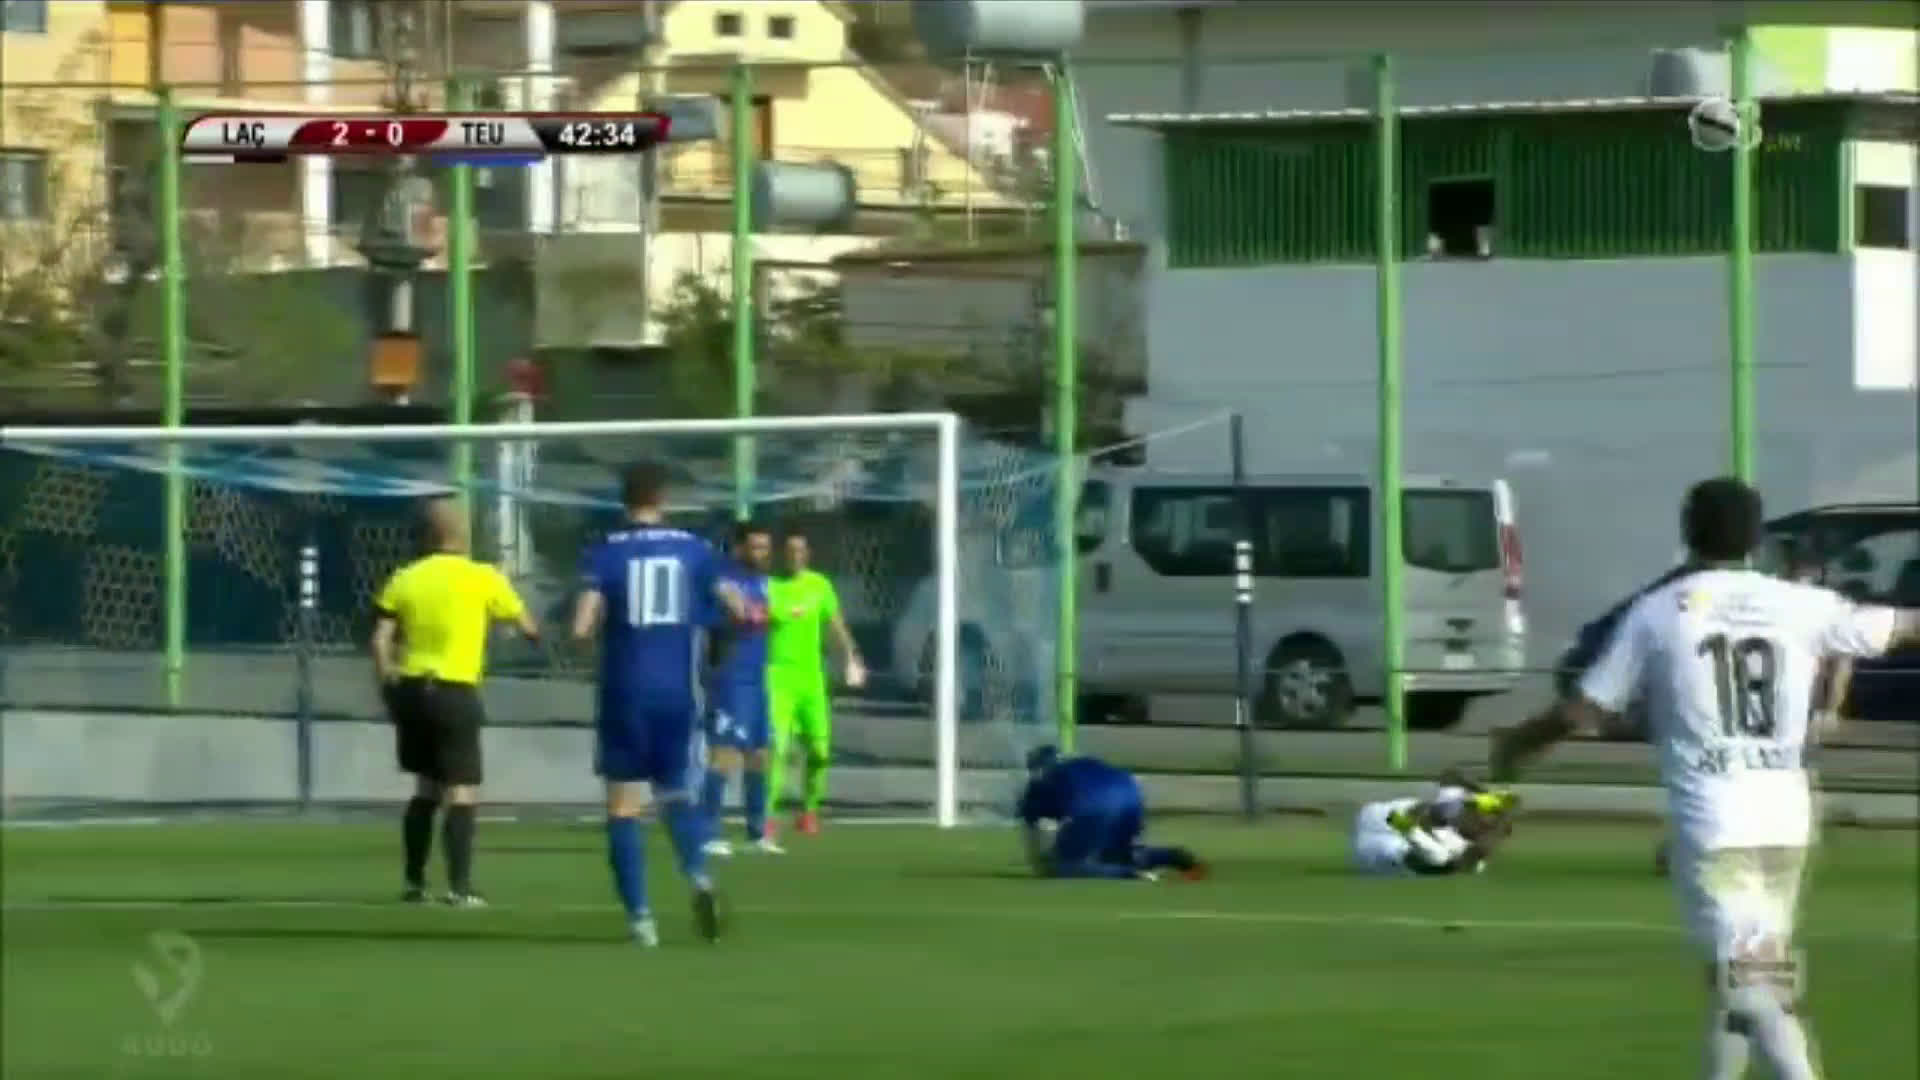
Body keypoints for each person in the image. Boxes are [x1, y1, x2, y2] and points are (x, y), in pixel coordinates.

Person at [1492, 476, 1918, 1080]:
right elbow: (1900, 626)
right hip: (1786, 818)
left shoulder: (1660, 610)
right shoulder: (1799, 603)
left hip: (1716, 821)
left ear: (1687, 531)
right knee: (1742, 978)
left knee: (1750, 987)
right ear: (1756, 537)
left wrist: (1516, 744)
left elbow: (1584, 709)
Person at [573, 462, 753, 946]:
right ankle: (699, 878)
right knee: (676, 796)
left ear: (624, 500)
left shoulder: (605, 551)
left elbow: (581, 626)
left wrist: (592, 643)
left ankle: (642, 922)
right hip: (676, 693)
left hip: (624, 692)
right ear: (664, 498)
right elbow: (741, 609)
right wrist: (720, 639)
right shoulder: (694, 549)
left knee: (623, 807)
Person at [371, 496, 539, 907]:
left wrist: (388, 677)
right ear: (462, 534)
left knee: (426, 787)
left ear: (429, 535)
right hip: (454, 689)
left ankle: (414, 883)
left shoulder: (406, 577)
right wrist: (506, 603)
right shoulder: (482, 577)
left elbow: (380, 640)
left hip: (412, 688)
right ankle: (459, 888)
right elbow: (529, 628)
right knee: (461, 789)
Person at [763, 530, 865, 837]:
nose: (795, 555)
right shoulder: (770, 586)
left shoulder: (819, 586)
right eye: (790, 550)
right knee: (778, 748)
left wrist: (850, 657)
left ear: (807, 554)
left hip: (812, 680)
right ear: (782, 554)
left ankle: (809, 811)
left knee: (820, 751)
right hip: (778, 677)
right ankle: (767, 814)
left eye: (800, 550)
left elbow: (836, 624)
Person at [700, 521, 782, 857]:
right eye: (756, 547)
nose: (762, 553)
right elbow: (744, 613)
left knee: (760, 754)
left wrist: (771, 613)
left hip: (757, 675)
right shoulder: (724, 577)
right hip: (730, 676)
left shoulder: (764, 581)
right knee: (724, 753)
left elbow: (766, 615)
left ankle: (757, 833)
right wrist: (767, 613)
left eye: (766, 547)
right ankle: (707, 833)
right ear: (739, 548)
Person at [1017, 746, 1205, 881]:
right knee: (1120, 855)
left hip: (1095, 804)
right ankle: (1176, 858)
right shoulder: (1083, 763)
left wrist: (1043, 861)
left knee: (1063, 867)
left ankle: (1130, 874)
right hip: (1131, 795)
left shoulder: (1042, 780)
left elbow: (1032, 825)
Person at [1351, 777, 1517, 876]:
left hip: (1379, 849)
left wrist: (1501, 820)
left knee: (1440, 857)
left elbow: (1475, 854)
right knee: (1439, 813)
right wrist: (1486, 795)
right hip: (1377, 816)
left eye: (1488, 826)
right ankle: (1409, 827)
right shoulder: (1461, 807)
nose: (1482, 822)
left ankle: (1409, 830)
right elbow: (1451, 776)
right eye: (1486, 817)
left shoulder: (1471, 853)